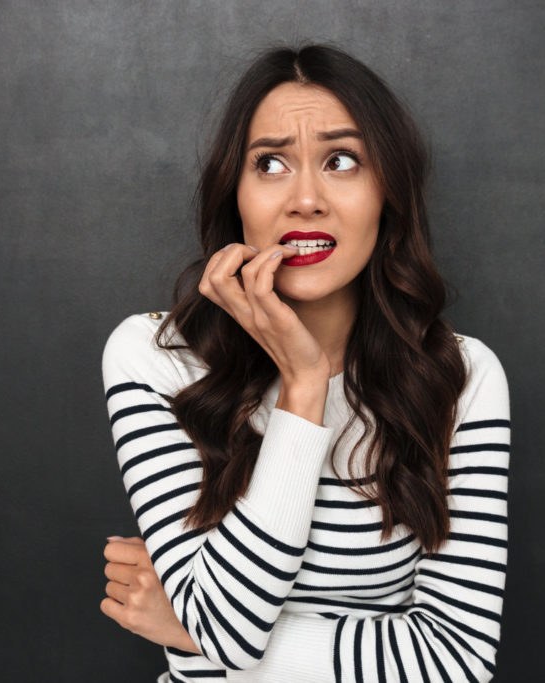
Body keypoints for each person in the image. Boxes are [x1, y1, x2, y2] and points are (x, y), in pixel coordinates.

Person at [100, 44, 510, 683]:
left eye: (341, 161)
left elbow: (456, 662)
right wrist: (304, 385)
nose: (306, 199)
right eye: (270, 164)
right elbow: (225, 629)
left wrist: (186, 627)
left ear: (387, 194)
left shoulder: (461, 378)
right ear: (235, 194)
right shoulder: (155, 360)